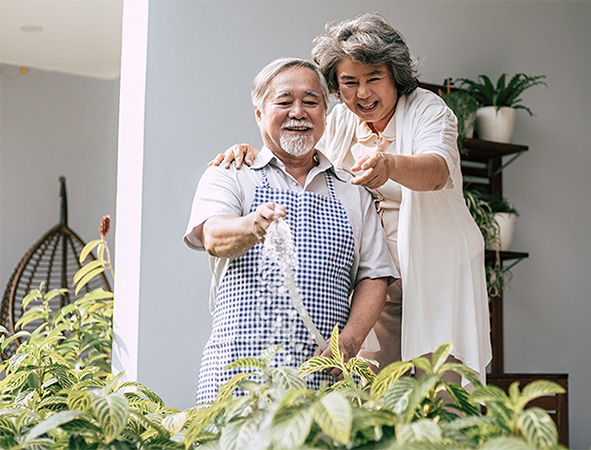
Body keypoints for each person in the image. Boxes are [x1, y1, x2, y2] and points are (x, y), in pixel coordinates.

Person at [213, 13, 491, 389]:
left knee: (440, 387)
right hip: (376, 277)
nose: (362, 93)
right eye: (349, 82)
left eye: (373, 78)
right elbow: (300, 157)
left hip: (433, 268)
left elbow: (437, 171)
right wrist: (253, 149)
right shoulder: (340, 121)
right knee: (376, 391)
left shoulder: (427, 108)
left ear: (395, 74)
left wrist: (389, 164)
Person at [184, 57, 398, 405]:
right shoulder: (231, 173)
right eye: (284, 102)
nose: (298, 112)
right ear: (259, 112)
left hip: (323, 381)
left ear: (325, 114)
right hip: (239, 377)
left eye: (311, 102)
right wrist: (252, 225)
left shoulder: (353, 191)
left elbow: (374, 276)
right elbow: (213, 235)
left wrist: (351, 340)